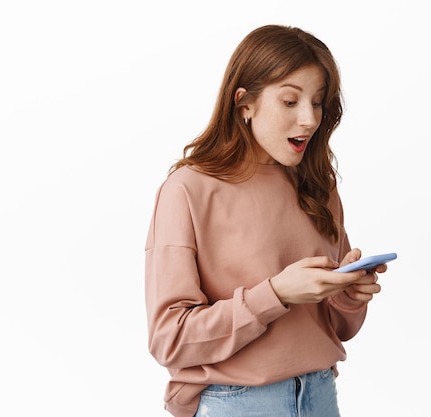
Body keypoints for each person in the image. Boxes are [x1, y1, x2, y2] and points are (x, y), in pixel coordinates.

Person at [144, 24, 387, 417]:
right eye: (290, 102)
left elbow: (337, 330)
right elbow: (170, 339)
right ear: (244, 103)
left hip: (320, 395)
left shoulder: (317, 186)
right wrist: (276, 294)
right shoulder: (188, 190)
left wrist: (346, 296)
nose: (309, 119)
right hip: (237, 403)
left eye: (318, 102)